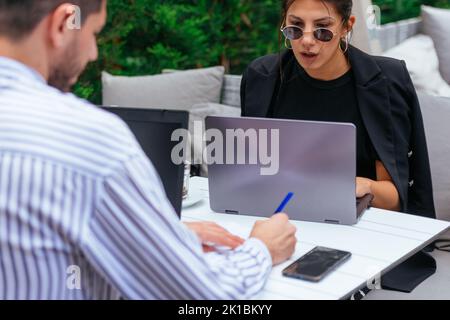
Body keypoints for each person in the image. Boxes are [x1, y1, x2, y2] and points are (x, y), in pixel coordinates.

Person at [0, 0, 297, 300]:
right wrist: (262, 248)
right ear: (63, 23)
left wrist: (158, 238)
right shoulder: (87, 138)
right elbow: (202, 295)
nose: (93, 52)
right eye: (93, 33)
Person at [240, 0, 436, 293]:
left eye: (322, 30)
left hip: (359, 236)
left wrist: (364, 185)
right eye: (295, 28)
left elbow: (396, 199)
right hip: (280, 224)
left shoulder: (383, 84)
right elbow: (248, 175)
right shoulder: (263, 77)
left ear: (347, 27)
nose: (306, 40)